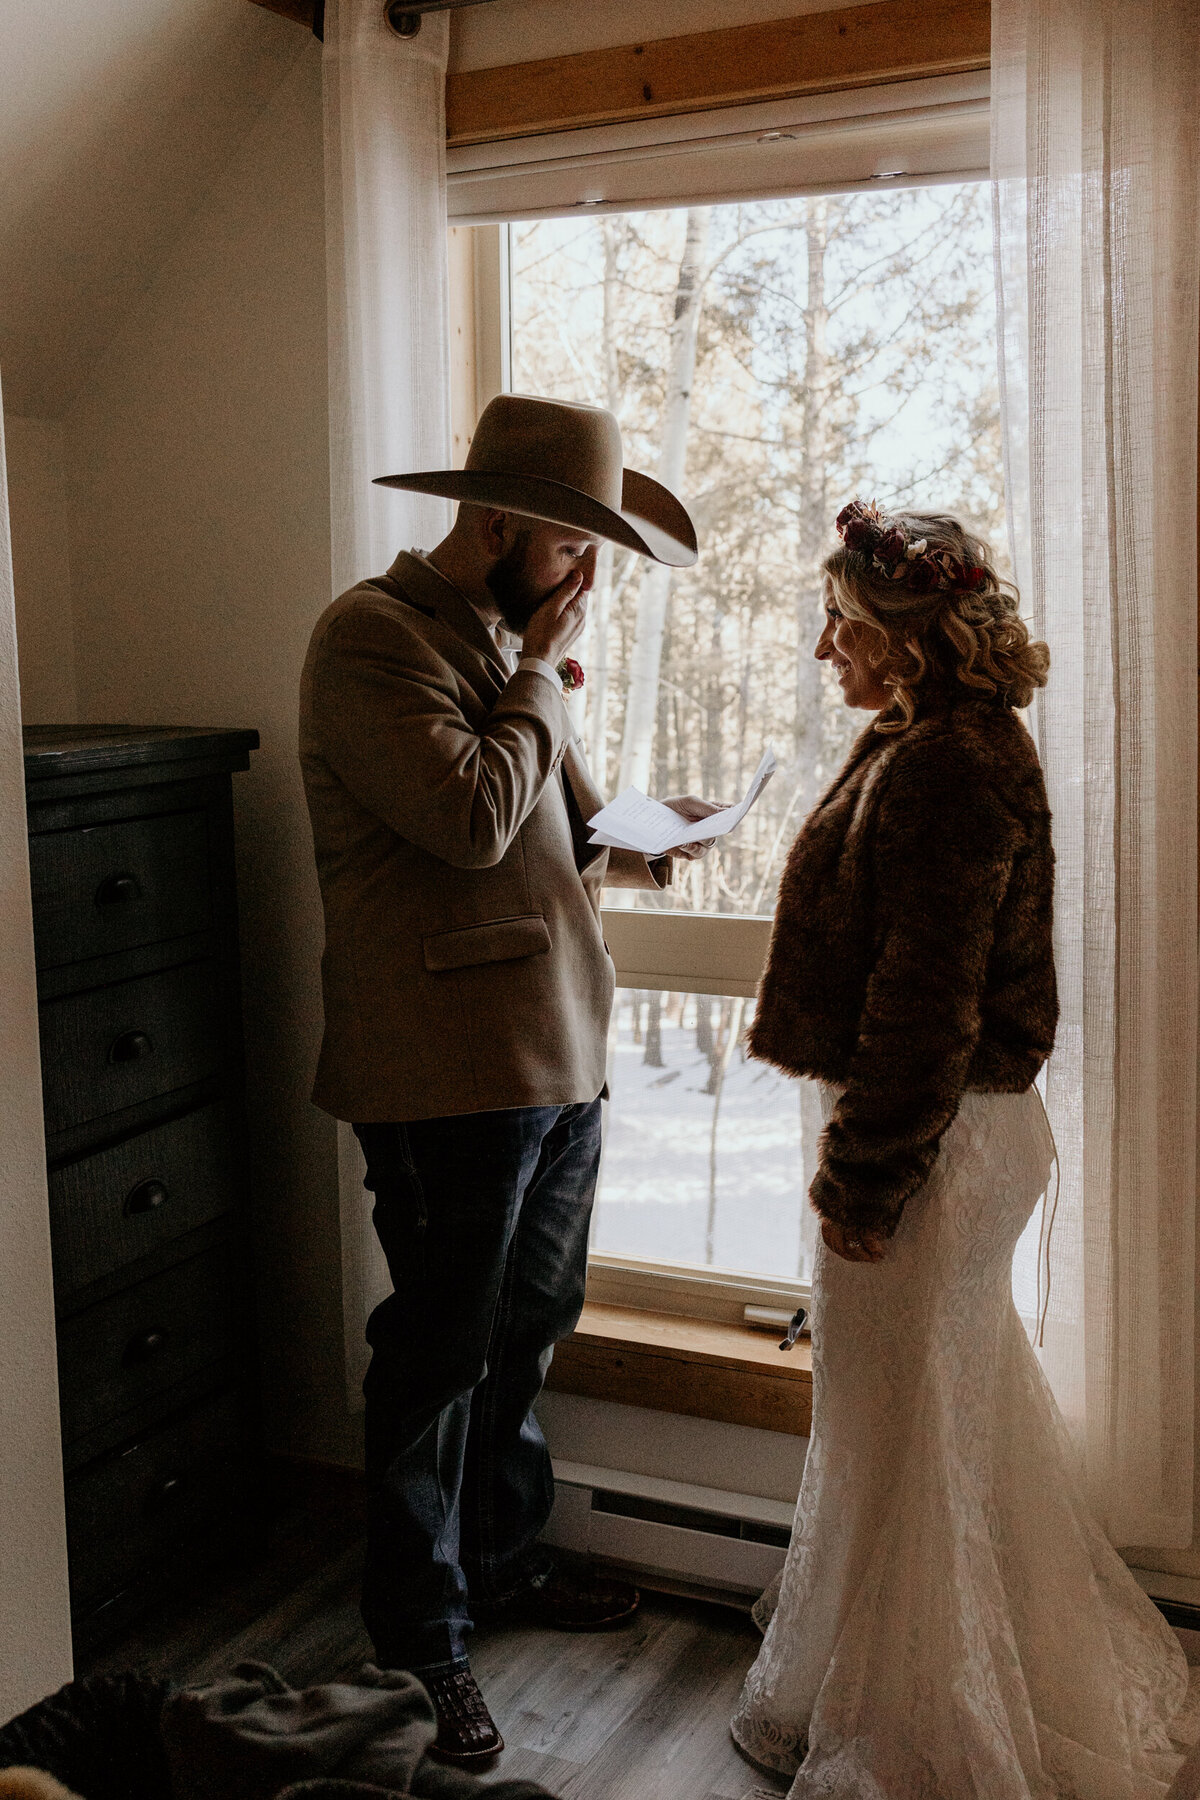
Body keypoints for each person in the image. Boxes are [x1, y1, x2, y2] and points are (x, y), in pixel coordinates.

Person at [730, 501, 1198, 1797]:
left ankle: (934, 1723)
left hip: (937, 1149)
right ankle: (901, 1674)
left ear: (905, 639)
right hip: (954, 1136)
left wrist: (865, 1176)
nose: (826, 645)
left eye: (842, 621)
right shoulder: (931, 739)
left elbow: (925, 999)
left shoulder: (948, 764)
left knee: (911, 1428)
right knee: (932, 1421)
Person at [299, 394, 718, 1768]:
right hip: (442, 1073)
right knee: (438, 1355)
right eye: (576, 544)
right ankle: (421, 1639)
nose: (590, 575)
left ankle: (501, 1559)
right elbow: (473, 817)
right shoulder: (369, 637)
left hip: (557, 1055)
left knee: (532, 1322)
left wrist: (641, 842)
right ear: (496, 524)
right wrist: (540, 676)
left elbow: (554, 823)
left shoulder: (500, 640)